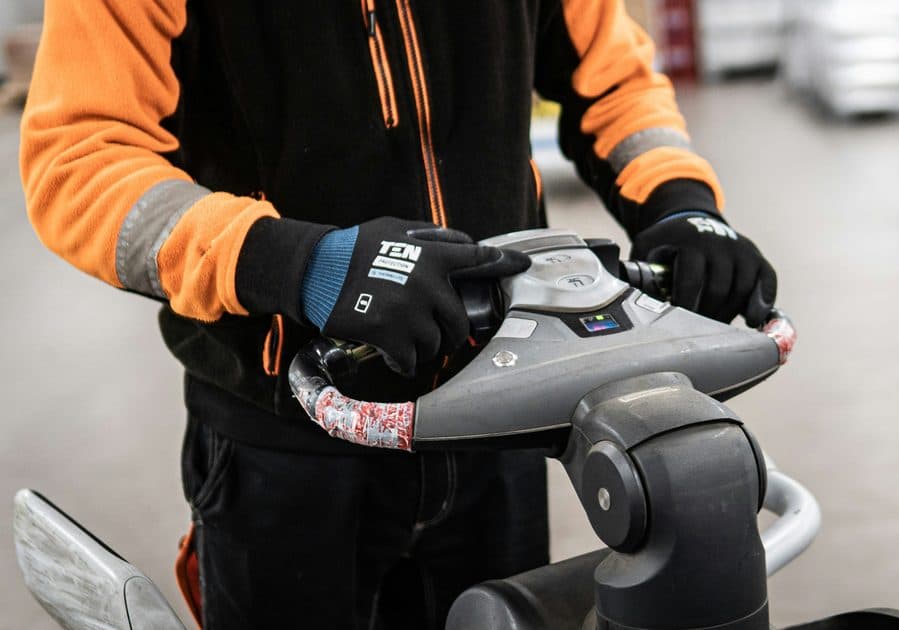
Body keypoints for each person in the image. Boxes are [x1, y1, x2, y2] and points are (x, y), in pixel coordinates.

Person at [20, 0, 778, 628]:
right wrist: (297, 263)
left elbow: (609, 76)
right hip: (288, 442)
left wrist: (678, 201)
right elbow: (79, 159)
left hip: (508, 408)